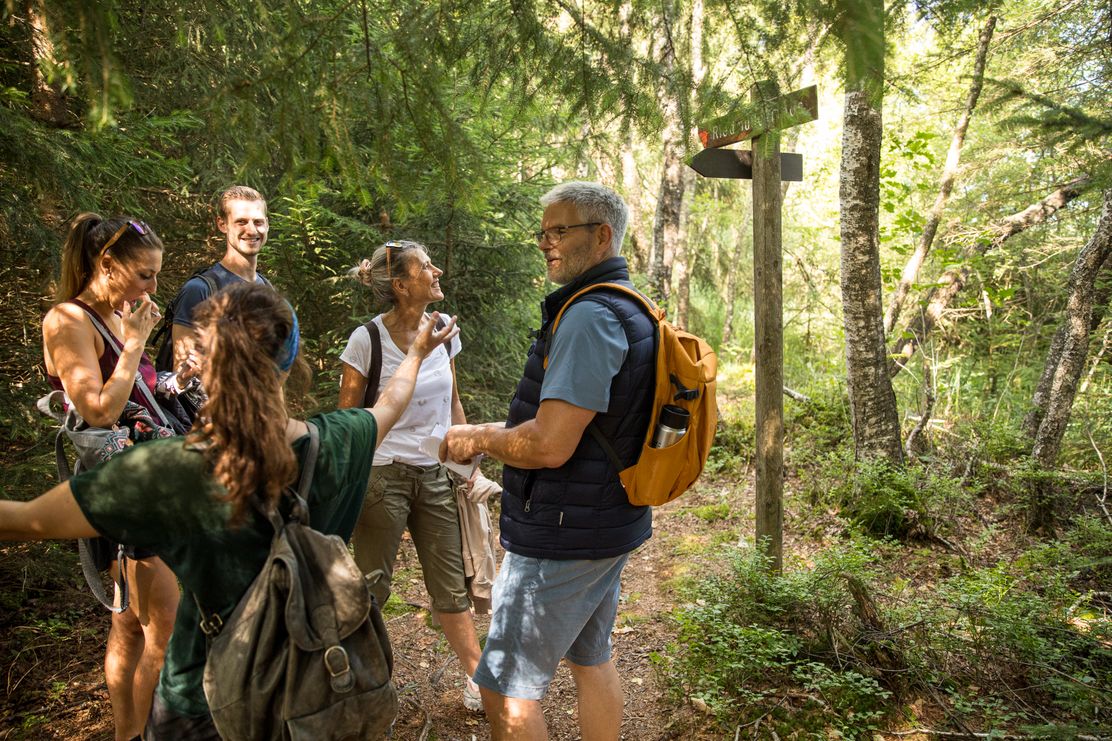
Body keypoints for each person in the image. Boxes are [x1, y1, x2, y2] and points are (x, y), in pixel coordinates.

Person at [11, 282, 458, 738]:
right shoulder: (339, 442)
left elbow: (26, 521)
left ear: (207, 368)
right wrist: (417, 353)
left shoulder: (166, 470)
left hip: (201, 704)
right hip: (308, 692)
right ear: (291, 362)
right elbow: (390, 404)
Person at [444, 182, 656, 740]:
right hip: (607, 522)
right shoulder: (630, 307)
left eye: (560, 230)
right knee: (591, 661)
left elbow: (549, 444)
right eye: (544, 232)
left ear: (603, 234)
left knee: (504, 685)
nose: (546, 243)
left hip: (562, 534)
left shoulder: (590, 317)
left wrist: (478, 436)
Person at [41, 213, 181, 741]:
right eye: (145, 274)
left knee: (128, 623)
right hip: (121, 484)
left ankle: (126, 733)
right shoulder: (66, 320)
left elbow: (140, 394)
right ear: (107, 265)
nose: (152, 286)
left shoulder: (121, 314)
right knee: (165, 626)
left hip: (153, 475)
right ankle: (148, 734)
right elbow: (98, 411)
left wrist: (175, 378)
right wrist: (133, 345)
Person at [338, 240, 486, 712]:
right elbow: (349, 419)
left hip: (436, 474)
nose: (436, 271)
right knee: (373, 584)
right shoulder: (366, 339)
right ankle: (355, 683)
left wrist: (465, 455)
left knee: (449, 584)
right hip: (382, 478)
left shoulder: (444, 328)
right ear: (401, 285)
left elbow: (453, 401)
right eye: (426, 267)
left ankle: (479, 680)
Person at [167, 185, 272, 378]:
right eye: (241, 222)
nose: (251, 230)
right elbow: (181, 378)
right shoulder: (199, 291)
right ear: (222, 224)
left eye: (258, 222)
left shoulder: (267, 289)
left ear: (267, 224)